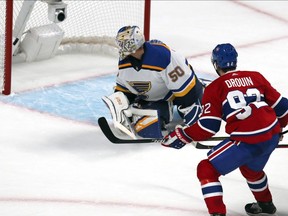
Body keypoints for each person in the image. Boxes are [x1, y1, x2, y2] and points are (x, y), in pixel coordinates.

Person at [161, 43, 288, 216]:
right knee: (251, 170)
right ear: (235, 61)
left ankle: (217, 213)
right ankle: (265, 204)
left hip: (247, 141)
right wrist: (279, 129)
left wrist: (183, 134)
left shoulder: (214, 87)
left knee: (206, 169)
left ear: (215, 64)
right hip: (271, 134)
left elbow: (207, 128)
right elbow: (284, 108)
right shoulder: (256, 77)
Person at [102, 25, 204, 139]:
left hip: (185, 91)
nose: (121, 48)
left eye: (124, 44)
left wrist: (191, 110)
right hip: (158, 97)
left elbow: (188, 90)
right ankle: (166, 110)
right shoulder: (124, 62)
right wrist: (121, 102)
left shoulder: (162, 57)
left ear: (134, 43)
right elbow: (125, 89)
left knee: (196, 117)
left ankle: (203, 90)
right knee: (145, 128)